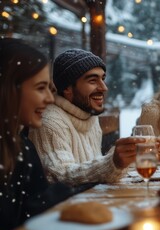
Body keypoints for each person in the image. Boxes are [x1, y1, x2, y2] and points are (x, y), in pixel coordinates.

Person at [0, 39, 91, 230]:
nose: (50, 98)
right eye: (41, 88)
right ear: (8, 89)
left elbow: (34, 206)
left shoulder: (20, 146)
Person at [29, 49, 146, 186]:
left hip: (90, 200)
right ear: (67, 88)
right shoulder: (50, 122)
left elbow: (91, 171)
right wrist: (112, 162)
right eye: (92, 80)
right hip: (67, 207)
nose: (103, 87)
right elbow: (60, 177)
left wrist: (131, 156)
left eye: (102, 79)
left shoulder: (89, 116)